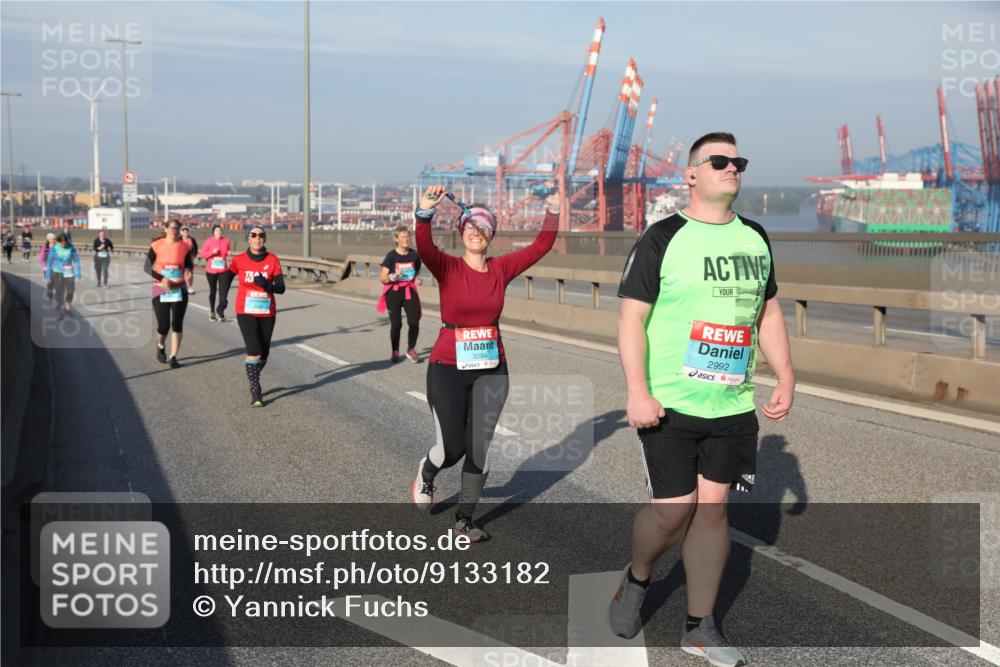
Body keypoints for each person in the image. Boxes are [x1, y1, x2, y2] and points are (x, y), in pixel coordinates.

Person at [608, 132, 795, 667]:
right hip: (669, 401)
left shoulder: (756, 238)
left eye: (738, 162)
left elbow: (770, 313)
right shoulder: (662, 236)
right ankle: (638, 578)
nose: (731, 168)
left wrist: (785, 375)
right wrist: (637, 391)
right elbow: (631, 319)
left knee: (712, 511)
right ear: (691, 174)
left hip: (732, 404)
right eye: (719, 161)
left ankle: (699, 626)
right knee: (673, 512)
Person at [409, 184, 559, 542]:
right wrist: (424, 212)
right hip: (447, 368)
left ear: (491, 235)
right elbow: (425, 246)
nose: (476, 233)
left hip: (492, 369)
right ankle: (428, 472)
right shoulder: (447, 268)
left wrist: (552, 209)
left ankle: (464, 520)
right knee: (451, 449)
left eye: (483, 228)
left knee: (479, 448)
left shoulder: (501, 269)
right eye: (470, 227)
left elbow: (541, 246)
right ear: (462, 234)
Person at [225, 225, 285, 407]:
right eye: (253, 235)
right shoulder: (239, 260)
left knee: (264, 352)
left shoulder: (272, 260)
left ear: (264, 239)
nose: (257, 238)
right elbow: (227, 277)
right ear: (248, 239)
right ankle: (255, 389)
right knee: (254, 350)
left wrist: (267, 285)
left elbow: (281, 288)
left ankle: (252, 373)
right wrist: (221, 300)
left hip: (267, 311)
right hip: (245, 311)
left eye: (261, 235)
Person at [145, 219, 194, 368]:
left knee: (177, 324)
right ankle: (160, 345)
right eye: (172, 228)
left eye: (177, 228)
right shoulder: (156, 245)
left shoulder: (184, 246)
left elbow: (189, 265)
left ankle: (173, 357)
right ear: (166, 229)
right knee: (164, 325)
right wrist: (163, 279)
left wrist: (189, 272)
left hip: (179, 288)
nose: (174, 231)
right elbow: (147, 267)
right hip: (161, 288)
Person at [378, 225, 422, 362]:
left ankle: (411, 349)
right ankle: (395, 350)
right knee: (396, 324)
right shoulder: (391, 256)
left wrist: (416, 280)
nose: (406, 239)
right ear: (396, 239)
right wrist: (393, 277)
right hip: (394, 292)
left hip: (409, 290)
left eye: (407, 236)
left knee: (414, 322)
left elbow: (416, 270)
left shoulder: (415, 255)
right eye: (402, 237)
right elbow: (382, 278)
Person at [198, 224, 233, 321]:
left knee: (223, 291)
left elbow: (227, 251)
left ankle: (220, 311)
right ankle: (212, 311)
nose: (219, 232)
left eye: (220, 230)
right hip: (211, 270)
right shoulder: (209, 241)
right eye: (217, 230)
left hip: (223, 270)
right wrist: (212, 252)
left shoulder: (226, 241)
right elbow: (202, 254)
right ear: (213, 232)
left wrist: (228, 252)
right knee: (213, 291)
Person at [43, 234, 81, 319]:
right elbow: (49, 263)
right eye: (61, 243)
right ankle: (61, 311)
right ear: (58, 242)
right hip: (58, 272)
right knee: (59, 292)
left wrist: (78, 274)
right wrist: (48, 276)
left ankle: (67, 305)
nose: (63, 244)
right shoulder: (54, 249)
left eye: (64, 242)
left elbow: (77, 261)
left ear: (67, 241)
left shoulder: (71, 248)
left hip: (69, 273)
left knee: (71, 290)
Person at [181, 226, 199, 294]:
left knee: (190, 274)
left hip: (190, 259)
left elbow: (196, 248)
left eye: (187, 231)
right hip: (181, 259)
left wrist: (194, 255)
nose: (185, 233)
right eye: (184, 231)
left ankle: (190, 287)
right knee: (184, 273)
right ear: (182, 232)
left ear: (189, 232)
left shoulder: (192, 239)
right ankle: (184, 286)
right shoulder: (179, 239)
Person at [40, 233, 57, 299]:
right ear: (48, 239)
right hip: (47, 267)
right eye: (50, 238)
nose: (51, 240)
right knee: (49, 281)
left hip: (55, 267)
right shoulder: (45, 247)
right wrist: (44, 266)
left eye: (52, 238)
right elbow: (41, 257)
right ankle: (49, 293)